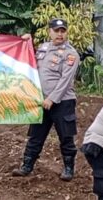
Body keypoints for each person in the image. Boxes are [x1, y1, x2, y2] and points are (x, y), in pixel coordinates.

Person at [12, 18, 81, 181]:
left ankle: (68, 168)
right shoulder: (43, 48)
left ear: (66, 32)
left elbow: (65, 80)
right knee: (36, 135)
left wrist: (52, 99)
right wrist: (26, 43)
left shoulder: (71, 54)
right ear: (49, 32)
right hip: (41, 101)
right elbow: (29, 60)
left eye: (63, 31)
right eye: (56, 31)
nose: (60, 34)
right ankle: (27, 166)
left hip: (63, 102)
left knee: (66, 137)